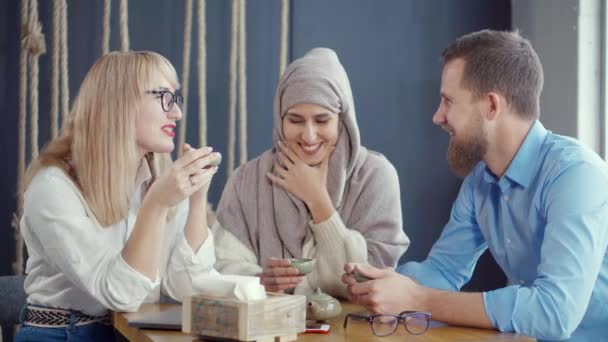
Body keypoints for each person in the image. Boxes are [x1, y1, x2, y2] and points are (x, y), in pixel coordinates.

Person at [342, 30, 608, 341]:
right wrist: (383, 283)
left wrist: (419, 299)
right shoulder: (480, 181)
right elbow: (443, 271)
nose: (437, 117)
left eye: (448, 101)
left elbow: (554, 312)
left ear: (491, 106)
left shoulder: (577, 175)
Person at [16, 51, 220, 341]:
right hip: (63, 334)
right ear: (120, 103)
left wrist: (198, 198)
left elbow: (188, 287)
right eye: (164, 97)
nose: (177, 113)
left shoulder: (156, 181)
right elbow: (121, 295)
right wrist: (157, 205)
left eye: (176, 99)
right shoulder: (53, 187)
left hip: (129, 333)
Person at [213, 48, 409, 297]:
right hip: (270, 331)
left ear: (343, 120)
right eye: (295, 120)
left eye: (321, 120)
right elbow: (220, 267)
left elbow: (374, 281)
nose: (308, 135)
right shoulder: (247, 180)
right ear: (280, 120)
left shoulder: (375, 177)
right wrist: (259, 281)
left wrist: (319, 201)